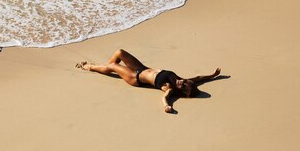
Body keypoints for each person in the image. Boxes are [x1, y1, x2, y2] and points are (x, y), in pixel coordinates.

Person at [76, 49, 221, 113]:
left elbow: (166, 99)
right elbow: (198, 79)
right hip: (141, 68)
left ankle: (89, 67)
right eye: (184, 81)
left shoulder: (168, 87)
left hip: (135, 78)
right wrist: (213, 75)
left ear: (181, 90)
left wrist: (167, 107)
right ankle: (103, 68)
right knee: (119, 52)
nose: (181, 81)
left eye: (182, 85)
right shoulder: (180, 80)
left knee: (114, 66)